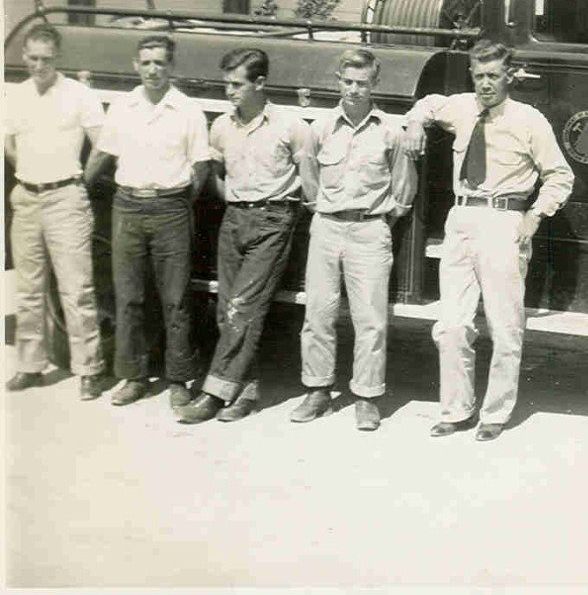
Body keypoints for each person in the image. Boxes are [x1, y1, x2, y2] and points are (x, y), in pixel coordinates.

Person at [404, 40, 574, 442]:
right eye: (478, 75)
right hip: (461, 218)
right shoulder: (462, 107)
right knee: (452, 324)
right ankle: (455, 410)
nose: (485, 84)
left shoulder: (529, 120)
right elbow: (427, 103)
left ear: (509, 76)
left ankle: (494, 414)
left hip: (504, 221)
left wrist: (535, 215)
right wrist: (413, 123)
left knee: (504, 325)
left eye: (493, 75)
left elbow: (559, 175)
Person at [176, 49, 314, 424]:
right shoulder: (221, 126)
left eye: (236, 84)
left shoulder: (291, 126)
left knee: (244, 307)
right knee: (227, 309)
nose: (229, 91)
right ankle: (247, 390)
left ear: (260, 83)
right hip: (234, 217)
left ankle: (213, 393)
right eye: (226, 84)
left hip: (273, 220)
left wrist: (279, 211)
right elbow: (217, 173)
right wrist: (235, 201)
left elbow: (308, 177)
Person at [290, 48, 416, 432]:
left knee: (371, 319)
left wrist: (378, 222)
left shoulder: (390, 131)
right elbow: (308, 174)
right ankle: (317, 390)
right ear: (338, 81)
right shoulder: (321, 128)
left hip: (369, 229)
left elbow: (404, 188)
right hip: (327, 227)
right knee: (318, 314)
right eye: (348, 82)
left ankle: (366, 396)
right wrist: (322, 209)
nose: (355, 90)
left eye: (363, 83)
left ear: (375, 84)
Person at [84, 35, 209, 409]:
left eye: (160, 62)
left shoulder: (188, 110)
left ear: (171, 66)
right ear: (135, 65)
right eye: (147, 62)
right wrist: (79, 190)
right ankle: (133, 376)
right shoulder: (123, 108)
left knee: (176, 300)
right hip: (128, 208)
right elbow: (102, 154)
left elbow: (200, 167)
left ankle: (179, 380)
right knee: (129, 298)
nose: (153, 69)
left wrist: (179, 202)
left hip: (170, 209)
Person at [4, 24, 107, 399]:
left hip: (67, 198)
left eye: (46, 59)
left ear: (57, 57)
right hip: (27, 197)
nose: (39, 65)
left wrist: (79, 181)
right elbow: (9, 144)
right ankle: (31, 365)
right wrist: (30, 175)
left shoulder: (79, 95)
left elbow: (102, 145)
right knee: (28, 288)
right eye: (32, 57)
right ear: (24, 56)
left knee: (77, 288)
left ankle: (89, 369)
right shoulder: (14, 96)